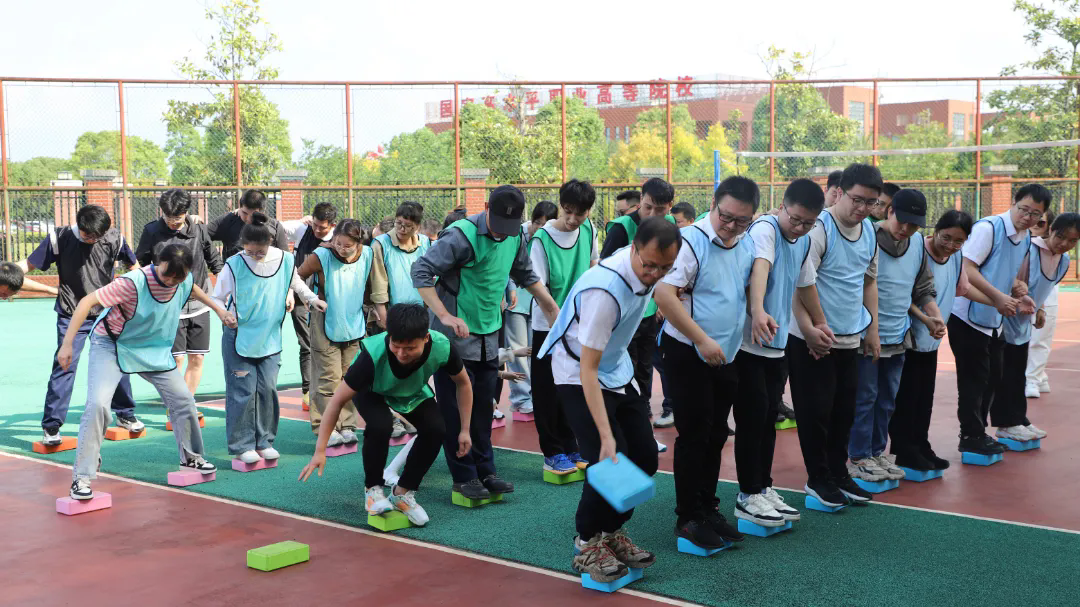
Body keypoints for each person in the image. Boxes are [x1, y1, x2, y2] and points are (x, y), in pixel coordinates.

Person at [537, 217, 679, 583]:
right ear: (634, 249)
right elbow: (587, 370)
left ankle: (611, 532)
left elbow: (659, 287)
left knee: (644, 457)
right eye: (649, 265)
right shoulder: (605, 291)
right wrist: (604, 434)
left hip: (616, 368)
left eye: (665, 268)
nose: (655, 275)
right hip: (578, 372)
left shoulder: (652, 270)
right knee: (607, 459)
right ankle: (587, 542)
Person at [412, 185, 560, 500]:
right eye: (498, 224)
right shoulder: (460, 236)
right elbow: (421, 271)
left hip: (489, 333)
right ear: (486, 207)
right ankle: (464, 476)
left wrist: (551, 308)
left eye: (509, 226)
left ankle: (486, 470)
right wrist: (444, 315)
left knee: (484, 407)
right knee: (456, 410)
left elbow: (526, 274)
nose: (502, 233)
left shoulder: (515, 236)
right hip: (455, 336)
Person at [61, 244, 234, 500]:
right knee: (97, 405)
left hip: (154, 348)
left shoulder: (183, 280)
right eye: (167, 275)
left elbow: (193, 288)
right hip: (113, 344)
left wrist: (219, 310)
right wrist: (67, 344)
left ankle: (191, 457)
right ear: (157, 263)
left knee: (183, 400)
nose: (171, 282)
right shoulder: (132, 283)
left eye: (178, 278)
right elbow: (87, 301)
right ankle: (82, 476)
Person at [654, 176, 759, 546]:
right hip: (687, 351)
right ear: (713, 205)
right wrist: (701, 339)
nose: (730, 226)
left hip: (725, 354)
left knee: (716, 434)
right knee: (694, 435)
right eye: (725, 216)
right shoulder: (690, 240)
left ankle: (707, 507)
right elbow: (663, 294)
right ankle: (688, 517)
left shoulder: (746, 242)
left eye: (741, 220)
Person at [299, 303, 472, 525]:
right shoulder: (371, 356)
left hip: (410, 390)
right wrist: (320, 450)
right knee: (381, 425)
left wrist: (465, 430)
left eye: (410, 348)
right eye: (396, 346)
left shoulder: (442, 347)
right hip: (372, 390)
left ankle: (402, 493)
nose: (401, 353)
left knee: (436, 429)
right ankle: (373, 491)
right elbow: (336, 402)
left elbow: (463, 384)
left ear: (426, 338)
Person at [787, 163, 883, 508]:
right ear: (839, 192)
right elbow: (797, 285)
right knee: (816, 413)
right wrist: (811, 329)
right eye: (857, 199)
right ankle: (818, 479)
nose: (863, 208)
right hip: (811, 339)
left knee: (844, 411)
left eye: (871, 202)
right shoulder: (819, 229)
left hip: (849, 338)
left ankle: (839, 474)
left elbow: (868, 281)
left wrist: (872, 329)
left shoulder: (869, 231)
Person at [733, 178, 825, 526]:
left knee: (768, 419)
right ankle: (747, 494)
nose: (799, 227)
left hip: (776, 345)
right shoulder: (766, 229)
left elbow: (806, 283)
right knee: (751, 419)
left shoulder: (803, 240)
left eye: (808, 223)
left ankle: (763, 486)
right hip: (747, 344)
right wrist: (757, 310)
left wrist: (820, 322)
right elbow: (761, 267)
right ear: (782, 207)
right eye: (795, 219)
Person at [23, 205, 142, 446]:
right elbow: (28, 264)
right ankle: (51, 426)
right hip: (71, 312)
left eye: (98, 236)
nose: (93, 240)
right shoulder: (59, 238)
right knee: (64, 365)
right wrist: (9, 272)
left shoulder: (115, 238)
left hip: (107, 311)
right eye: (89, 236)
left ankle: (125, 414)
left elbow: (135, 268)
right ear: (80, 226)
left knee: (118, 361)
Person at [847, 189, 941, 483]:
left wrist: (933, 316)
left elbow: (922, 288)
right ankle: (858, 457)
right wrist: (869, 330)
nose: (906, 229)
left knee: (887, 400)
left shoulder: (917, 245)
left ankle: (876, 452)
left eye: (914, 225)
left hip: (898, 336)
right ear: (889, 211)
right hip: (866, 335)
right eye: (902, 221)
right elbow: (858, 284)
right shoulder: (866, 236)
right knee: (865, 398)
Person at [947, 184, 1049, 456]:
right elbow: (967, 268)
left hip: (993, 318)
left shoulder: (1025, 237)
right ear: (1014, 202)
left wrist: (1017, 289)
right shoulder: (989, 228)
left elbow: (1002, 270)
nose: (1027, 217)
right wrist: (997, 297)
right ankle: (970, 435)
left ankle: (979, 432)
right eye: (1024, 209)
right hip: (966, 316)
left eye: (1035, 214)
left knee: (992, 377)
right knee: (974, 380)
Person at [214, 212, 324, 463]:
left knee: (267, 390)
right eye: (249, 251)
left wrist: (312, 299)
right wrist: (224, 314)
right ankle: (242, 445)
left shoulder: (285, 259)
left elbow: (297, 284)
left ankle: (264, 441)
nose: (254, 255)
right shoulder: (234, 264)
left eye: (259, 252)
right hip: (239, 336)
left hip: (270, 336)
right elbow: (217, 297)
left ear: (270, 243)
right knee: (242, 391)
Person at [890, 210, 985, 471]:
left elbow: (963, 289)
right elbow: (903, 292)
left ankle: (921, 444)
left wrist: (1000, 301)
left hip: (932, 340)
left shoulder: (956, 258)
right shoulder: (916, 249)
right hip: (908, 337)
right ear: (936, 230)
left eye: (959, 241)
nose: (951, 245)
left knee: (924, 398)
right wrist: (926, 318)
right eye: (947, 237)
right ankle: (904, 449)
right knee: (907, 398)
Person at [601, 178, 676, 449]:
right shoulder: (621, 229)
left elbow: (669, 270)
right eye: (648, 207)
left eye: (660, 210)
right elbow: (605, 270)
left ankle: (641, 431)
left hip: (648, 315)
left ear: (670, 207)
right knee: (624, 374)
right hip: (622, 316)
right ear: (640, 201)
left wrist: (660, 301)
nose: (653, 214)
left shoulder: (670, 227)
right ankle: (619, 435)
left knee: (644, 372)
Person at [530, 181, 599, 475]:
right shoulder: (542, 240)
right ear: (560, 205)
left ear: (589, 211)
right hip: (548, 325)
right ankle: (552, 451)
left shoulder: (590, 230)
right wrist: (558, 324)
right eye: (567, 211)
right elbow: (539, 289)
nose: (572, 219)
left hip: (579, 324)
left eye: (579, 214)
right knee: (547, 389)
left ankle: (572, 444)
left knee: (572, 387)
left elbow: (594, 267)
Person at [297, 220, 384, 447]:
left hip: (354, 322)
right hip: (324, 321)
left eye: (347, 245)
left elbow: (370, 285)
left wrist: (373, 306)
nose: (342, 249)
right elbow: (296, 277)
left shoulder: (368, 254)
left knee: (351, 377)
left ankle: (347, 425)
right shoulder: (320, 256)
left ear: (358, 243)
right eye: (338, 243)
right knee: (327, 377)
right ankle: (326, 427)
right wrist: (309, 298)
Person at [993, 213, 1079, 441]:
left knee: (1018, 372)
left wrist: (1040, 309)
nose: (1064, 244)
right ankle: (1005, 423)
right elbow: (1007, 281)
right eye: (1061, 236)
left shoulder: (1064, 261)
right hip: (1003, 319)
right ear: (1051, 230)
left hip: (1023, 323)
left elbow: (1043, 288)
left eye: (1072, 240)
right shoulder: (1028, 250)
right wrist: (1017, 300)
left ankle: (1019, 419)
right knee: (1004, 374)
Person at [135, 189, 224, 401]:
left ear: (186, 212)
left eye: (178, 217)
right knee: (176, 360)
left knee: (197, 358)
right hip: (169, 305)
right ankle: (175, 403)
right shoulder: (152, 231)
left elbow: (214, 259)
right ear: (162, 212)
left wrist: (225, 284)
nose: (173, 222)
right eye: (169, 217)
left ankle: (185, 403)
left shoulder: (199, 229)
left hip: (199, 304)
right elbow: (141, 264)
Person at [503, 201, 558, 417]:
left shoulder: (552, 236)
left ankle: (536, 395)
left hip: (538, 302)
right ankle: (521, 398)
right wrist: (510, 289)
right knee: (518, 351)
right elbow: (507, 264)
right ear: (532, 220)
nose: (540, 228)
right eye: (537, 223)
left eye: (545, 224)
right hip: (516, 300)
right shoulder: (517, 234)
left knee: (534, 351)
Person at [282, 202, 339, 411]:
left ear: (332, 225)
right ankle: (308, 391)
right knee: (306, 345)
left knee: (329, 344)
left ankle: (331, 389)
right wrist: (299, 220)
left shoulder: (338, 239)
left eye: (321, 227)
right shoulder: (302, 230)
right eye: (314, 224)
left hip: (327, 300)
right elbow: (274, 227)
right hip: (299, 298)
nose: (316, 230)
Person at [1025, 211, 1059, 397]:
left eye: (1041, 222)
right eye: (1033, 219)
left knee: (1041, 337)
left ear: (1049, 227)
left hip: (1047, 294)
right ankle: (1039, 376)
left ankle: (1032, 379)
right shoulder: (1019, 241)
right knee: (1019, 337)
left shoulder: (1053, 248)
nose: (1035, 224)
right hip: (1021, 293)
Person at [207, 189, 289, 261]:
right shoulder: (228, 221)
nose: (248, 218)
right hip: (236, 273)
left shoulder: (275, 227)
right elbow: (202, 235)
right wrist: (216, 264)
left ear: (263, 211)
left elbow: (286, 257)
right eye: (244, 213)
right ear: (239, 207)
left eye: (253, 214)